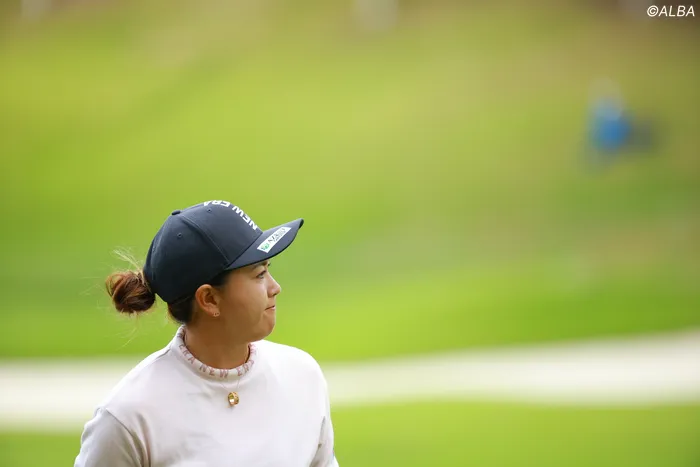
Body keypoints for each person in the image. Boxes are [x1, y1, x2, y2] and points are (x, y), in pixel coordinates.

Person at [75, 199, 339, 467]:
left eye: (268, 269)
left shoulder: (304, 377)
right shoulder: (128, 417)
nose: (275, 287)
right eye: (259, 274)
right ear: (210, 299)